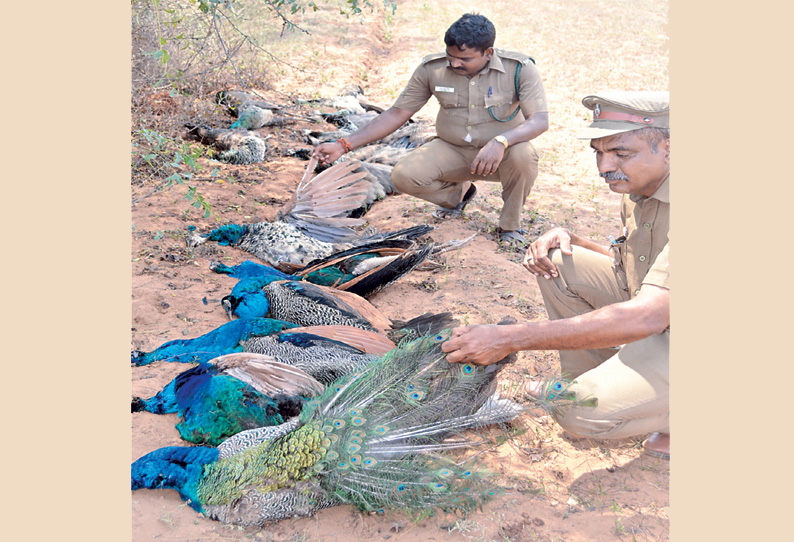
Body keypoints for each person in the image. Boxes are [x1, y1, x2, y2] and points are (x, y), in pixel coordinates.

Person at [441, 91, 671, 459]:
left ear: (670, 148)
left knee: (577, 411)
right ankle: (596, 382)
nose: (603, 167)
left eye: (620, 154)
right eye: (599, 152)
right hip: (661, 315)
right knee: (562, 262)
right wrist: (574, 240)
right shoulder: (642, 186)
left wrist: (510, 337)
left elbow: (648, 315)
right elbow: (641, 264)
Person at [311, 13, 548, 245]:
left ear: (488, 53)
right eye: (450, 56)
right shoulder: (431, 69)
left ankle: (510, 226)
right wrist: (343, 145)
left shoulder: (519, 69)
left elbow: (539, 120)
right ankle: (458, 196)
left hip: (502, 155)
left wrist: (501, 141)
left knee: (524, 155)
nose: (454, 63)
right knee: (403, 176)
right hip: (452, 149)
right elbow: (397, 113)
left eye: (464, 60)